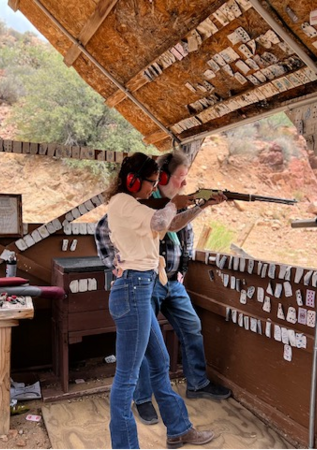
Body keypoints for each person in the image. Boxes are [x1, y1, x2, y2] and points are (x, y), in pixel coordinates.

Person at [96, 150, 231, 427]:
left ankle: (179, 428)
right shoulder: (125, 203)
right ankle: (136, 418)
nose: (153, 187)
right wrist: (174, 203)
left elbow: (172, 224)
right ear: (133, 181)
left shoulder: (141, 206)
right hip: (134, 285)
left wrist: (200, 206)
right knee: (130, 374)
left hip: (149, 282)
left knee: (160, 362)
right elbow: (160, 220)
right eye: (151, 182)